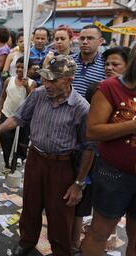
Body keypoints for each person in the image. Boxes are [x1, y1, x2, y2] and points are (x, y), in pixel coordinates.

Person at [0, 55, 95, 256]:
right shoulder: (39, 95)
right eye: (45, 78)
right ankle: (27, 241)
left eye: (53, 79)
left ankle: (60, 250)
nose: (46, 84)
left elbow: (88, 148)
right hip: (35, 159)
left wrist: (78, 184)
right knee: (31, 205)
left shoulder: (81, 107)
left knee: (59, 213)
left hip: (62, 165)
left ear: (68, 80)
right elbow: (18, 117)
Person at [81, 47, 136, 256]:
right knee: (99, 232)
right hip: (114, 175)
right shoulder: (110, 87)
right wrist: (131, 126)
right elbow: (93, 131)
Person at [0, 56, 36, 174]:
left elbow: (32, 100)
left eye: (22, 67)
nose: (19, 70)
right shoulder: (9, 80)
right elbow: (3, 96)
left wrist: (26, 86)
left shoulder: (31, 83)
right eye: (17, 67)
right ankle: (6, 163)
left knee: (20, 142)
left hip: (22, 118)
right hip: (7, 114)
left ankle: (17, 160)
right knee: (5, 140)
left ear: (28, 70)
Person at [72, 24, 106, 98]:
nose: (84, 42)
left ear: (100, 41)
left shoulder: (106, 65)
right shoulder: (68, 61)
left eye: (90, 38)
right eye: (82, 38)